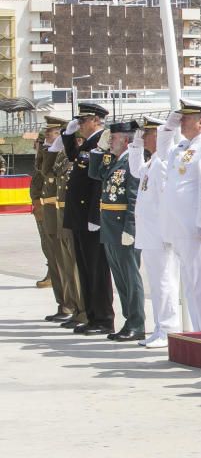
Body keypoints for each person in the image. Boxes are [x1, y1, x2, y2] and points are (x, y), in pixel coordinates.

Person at [163, 100, 201, 333]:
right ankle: (199, 330)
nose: (181, 122)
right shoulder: (185, 146)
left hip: (197, 227)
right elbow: (162, 155)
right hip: (181, 225)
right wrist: (167, 128)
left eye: (186, 118)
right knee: (190, 283)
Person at [88, 120, 145, 342]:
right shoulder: (116, 161)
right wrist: (99, 150)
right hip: (111, 227)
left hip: (123, 227)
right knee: (120, 278)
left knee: (130, 277)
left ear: (126, 140)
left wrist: (130, 228)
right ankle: (128, 320)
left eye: (113, 138)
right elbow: (95, 173)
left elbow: (134, 198)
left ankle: (137, 323)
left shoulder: (132, 162)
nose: (110, 141)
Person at [62, 103, 115, 336]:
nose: (80, 125)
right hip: (79, 216)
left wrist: (96, 215)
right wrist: (67, 135)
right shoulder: (89, 144)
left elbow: (98, 184)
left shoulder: (102, 143)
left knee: (96, 269)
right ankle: (93, 316)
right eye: (79, 122)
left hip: (90, 217)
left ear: (95, 120)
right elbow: (73, 156)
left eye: (83, 121)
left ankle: (104, 318)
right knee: (84, 268)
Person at [127, 116, 180, 348]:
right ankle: (160, 327)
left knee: (165, 282)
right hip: (149, 232)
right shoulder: (152, 162)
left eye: (147, 134)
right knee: (157, 283)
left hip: (160, 232)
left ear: (158, 135)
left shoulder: (164, 161)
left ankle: (168, 328)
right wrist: (135, 147)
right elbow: (135, 171)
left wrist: (168, 230)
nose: (144, 137)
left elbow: (168, 197)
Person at [38, 116, 83, 325]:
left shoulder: (73, 157)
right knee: (59, 263)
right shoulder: (59, 157)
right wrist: (47, 148)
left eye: (54, 134)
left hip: (67, 214)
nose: (48, 136)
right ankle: (66, 304)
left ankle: (75, 307)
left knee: (70, 265)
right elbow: (44, 171)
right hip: (53, 212)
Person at [30, 134, 53, 290]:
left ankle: (53, 274)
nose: (36, 145)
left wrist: (42, 151)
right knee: (45, 243)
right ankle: (52, 271)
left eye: (38, 142)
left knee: (49, 242)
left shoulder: (46, 158)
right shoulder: (40, 158)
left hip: (46, 205)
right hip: (39, 205)